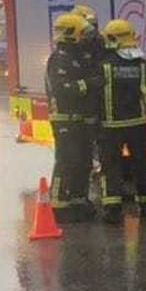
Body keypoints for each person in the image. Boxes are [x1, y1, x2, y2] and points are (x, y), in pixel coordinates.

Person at [45, 12, 102, 223]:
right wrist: (90, 84)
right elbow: (63, 90)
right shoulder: (59, 60)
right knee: (67, 161)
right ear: (70, 35)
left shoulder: (78, 57)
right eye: (83, 34)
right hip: (65, 119)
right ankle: (58, 205)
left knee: (84, 161)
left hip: (80, 119)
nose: (86, 39)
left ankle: (79, 200)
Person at [96, 18, 146, 222]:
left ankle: (113, 210)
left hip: (111, 125)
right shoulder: (141, 63)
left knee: (111, 168)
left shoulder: (104, 65)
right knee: (142, 166)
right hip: (138, 123)